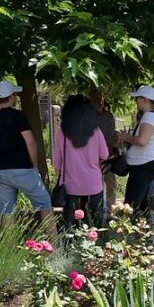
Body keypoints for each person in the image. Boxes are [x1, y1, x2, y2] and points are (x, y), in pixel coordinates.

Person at [0, 80, 55, 236]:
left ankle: (9, 247)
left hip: (1, 171)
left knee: (6, 210)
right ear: (11, 97)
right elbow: (31, 142)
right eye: (15, 95)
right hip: (23, 168)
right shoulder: (18, 116)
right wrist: (33, 164)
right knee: (44, 204)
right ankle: (56, 247)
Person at [53, 94, 109, 229]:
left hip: (71, 187)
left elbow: (57, 163)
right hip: (93, 185)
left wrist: (58, 179)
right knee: (96, 227)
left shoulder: (62, 132)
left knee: (71, 229)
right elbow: (105, 155)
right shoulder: (96, 131)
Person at [117, 85, 154, 219]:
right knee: (142, 205)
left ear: (144, 99)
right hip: (143, 165)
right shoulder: (150, 116)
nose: (135, 101)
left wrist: (126, 137)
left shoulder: (148, 117)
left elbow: (143, 141)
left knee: (130, 205)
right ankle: (147, 233)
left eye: (137, 98)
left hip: (143, 166)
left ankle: (133, 234)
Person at [89, 91, 120, 209]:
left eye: (101, 100)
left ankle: (110, 207)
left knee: (111, 183)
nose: (100, 102)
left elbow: (112, 131)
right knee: (98, 184)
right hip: (95, 156)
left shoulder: (109, 116)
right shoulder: (90, 118)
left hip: (110, 154)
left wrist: (116, 143)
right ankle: (99, 209)